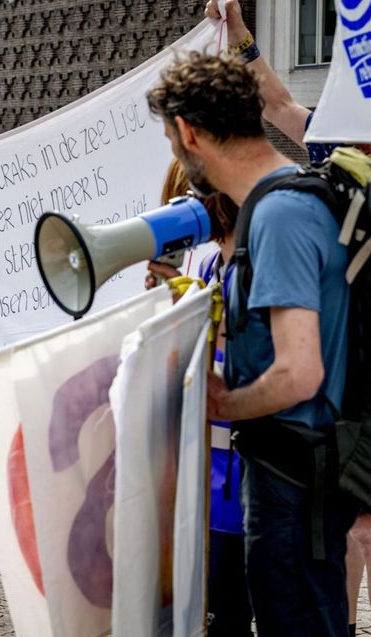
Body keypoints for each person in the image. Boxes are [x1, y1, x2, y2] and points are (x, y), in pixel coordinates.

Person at [148, 52, 356, 637]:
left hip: (294, 480)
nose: (175, 154)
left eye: (171, 138)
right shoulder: (278, 201)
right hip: (292, 477)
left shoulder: (280, 216)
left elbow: (299, 372)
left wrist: (222, 403)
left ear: (189, 133)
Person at [205, 5, 371, 633]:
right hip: (339, 370)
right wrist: (239, 34)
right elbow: (277, 104)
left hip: (369, 366)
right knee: (345, 523)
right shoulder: (336, 147)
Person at [147, 161, 250, 635]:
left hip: (243, 481)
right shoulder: (212, 265)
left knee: (231, 612)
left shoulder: (253, 263)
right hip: (210, 476)